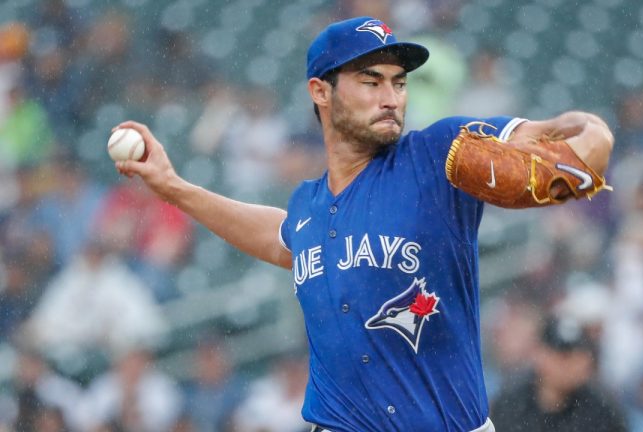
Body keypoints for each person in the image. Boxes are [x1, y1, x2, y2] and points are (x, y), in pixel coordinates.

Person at [114, 16, 614, 432]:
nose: (391, 97)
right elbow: (279, 236)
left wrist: (587, 139)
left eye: (399, 82)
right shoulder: (309, 207)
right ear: (321, 91)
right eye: (371, 81)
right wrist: (173, 186)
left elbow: (548, 147)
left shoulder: (437, 154)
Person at [490, 317, 627, 432]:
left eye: (577, 356)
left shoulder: (600, 406)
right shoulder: (511, 402)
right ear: (539, 355)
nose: (572, 366)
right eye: (563, 356)